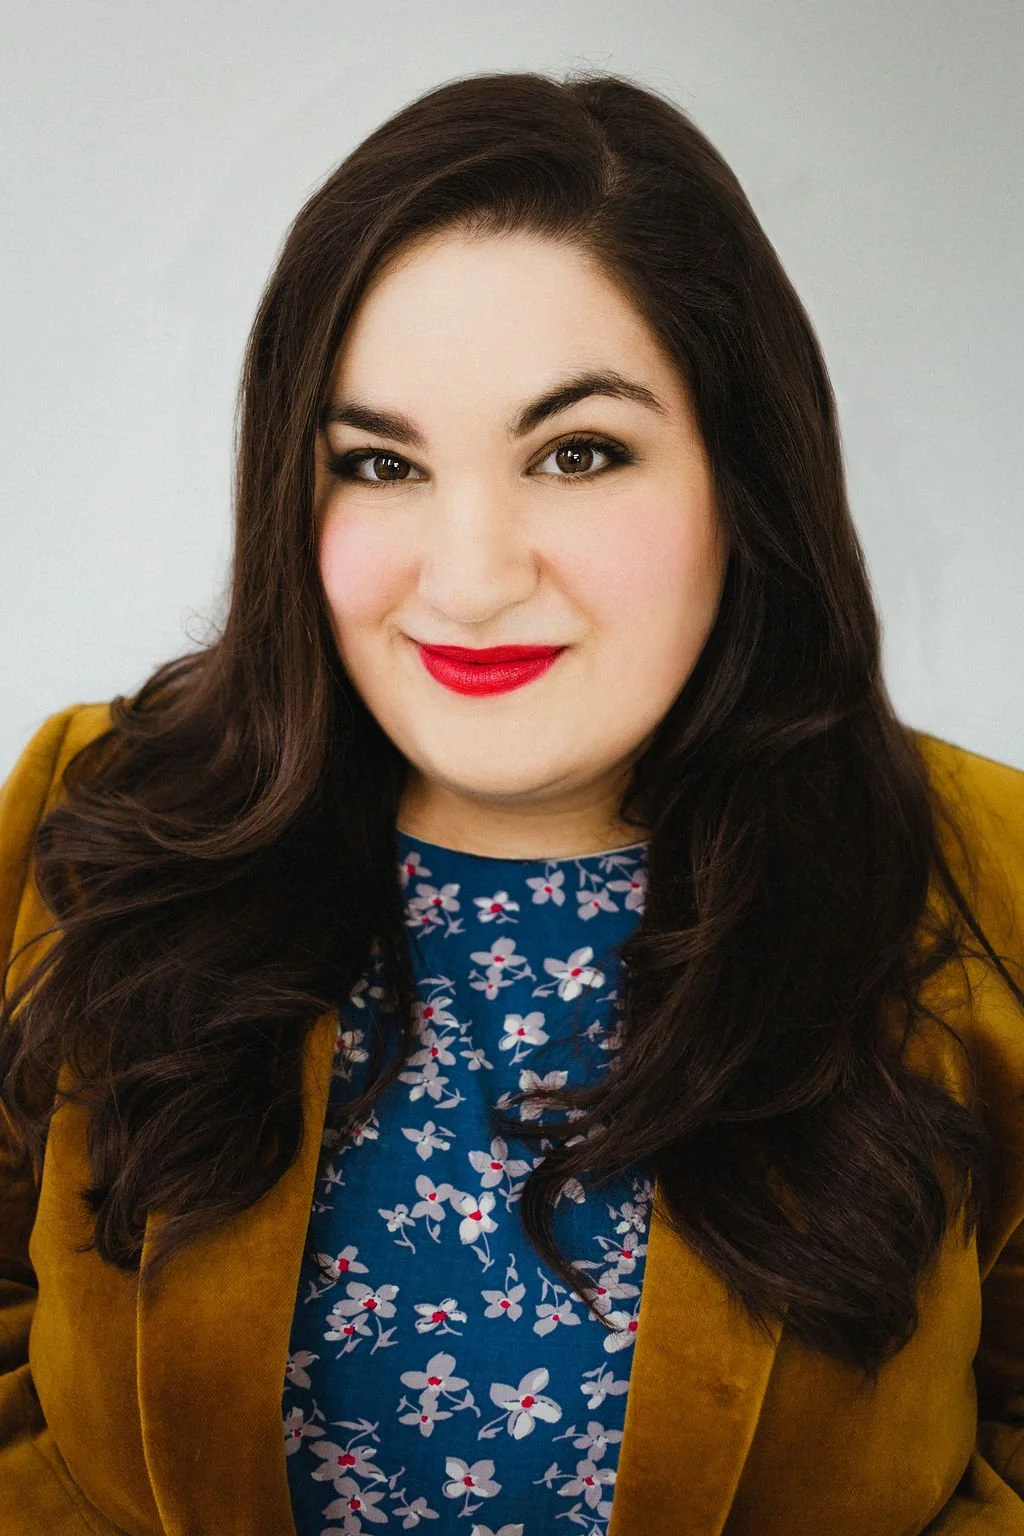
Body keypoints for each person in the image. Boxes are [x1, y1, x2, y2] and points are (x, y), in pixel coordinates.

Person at [1, 68, 1022, 1536]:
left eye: (578, 453)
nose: (469, 577)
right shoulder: (95, 826)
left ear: (745, 478)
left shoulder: (984, 876)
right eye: (378, 463)